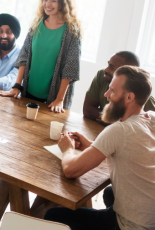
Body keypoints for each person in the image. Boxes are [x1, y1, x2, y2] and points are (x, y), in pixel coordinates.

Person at [44, 66, 155, 230]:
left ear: (130, 97)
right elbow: (129, 152)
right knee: (109, 193)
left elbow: (70, 170)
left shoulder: (119, 130)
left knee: (52, 216)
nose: (106, 95)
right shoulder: (149, 120)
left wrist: (67, 148)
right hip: (151, 217)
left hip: (132, 226)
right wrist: (93, 145)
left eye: (112, 91)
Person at [0, 0, 82, 113]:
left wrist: (59, 99)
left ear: (63, 3)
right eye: (45, 0)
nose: (47, 4)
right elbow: (24, 55)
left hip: (53, 99)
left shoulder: (72, 31)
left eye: (53, 1)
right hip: (28, 92)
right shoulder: (36, 24)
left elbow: (70, 67)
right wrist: (17, 86)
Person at [84, 51, 155, 124]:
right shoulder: (102, 75)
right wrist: (118, 123)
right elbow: (87, 110)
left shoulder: (144, 97)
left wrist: (117, 124)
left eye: (112, 67)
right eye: (108, 65)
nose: (106, 70)